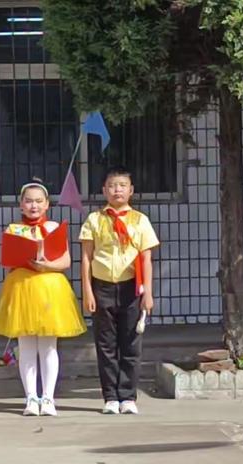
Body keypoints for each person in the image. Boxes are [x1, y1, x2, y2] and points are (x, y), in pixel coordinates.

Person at [0, 178, 86, 416]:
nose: (33, 206)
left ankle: (48, 397)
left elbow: (65, 260)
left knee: (48, 346)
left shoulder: (55, 227)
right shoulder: (13, 229)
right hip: (22, 288)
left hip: (49, 289)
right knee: (25, 346)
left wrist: (47, 265)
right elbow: (7, 260)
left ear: (47, 204)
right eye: (28, 201)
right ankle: (30, 398)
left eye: (38, 201)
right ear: (21, 205)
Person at [79, 166, 159, 415]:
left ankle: (128, 395)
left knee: (131, 343)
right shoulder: (95, 219)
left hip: (131, 288)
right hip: (102, 286)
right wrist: (88, 292)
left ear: (131, 190)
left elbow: (146, 258)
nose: (117, 190)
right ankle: (110, 396)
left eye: (122, 185)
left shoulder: (140, 220)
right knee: (105, 344)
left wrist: (148, 293)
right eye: (112, 185)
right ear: (104, 190)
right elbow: (86, 258)